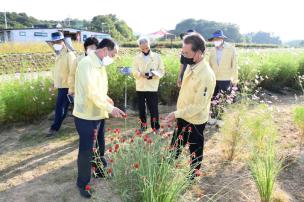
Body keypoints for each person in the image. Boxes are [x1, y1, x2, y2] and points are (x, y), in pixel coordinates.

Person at [73, 38, 125, 198]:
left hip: (98, 112)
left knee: (99, 146)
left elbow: (99, 89)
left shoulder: (99, 63)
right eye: (113, 53)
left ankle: (98, 171)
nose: (114, 57)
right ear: (104, 50)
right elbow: (91, 92)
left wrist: (107, 98)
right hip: (86, 115)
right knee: (87, 150)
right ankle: (82, 183)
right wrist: (111, 108)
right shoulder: (87, 63)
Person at [165, 33, 216, 180]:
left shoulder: (206, 75)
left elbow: (199, 105)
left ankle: (193, 175)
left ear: (198, 53)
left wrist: (176, 113)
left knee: (195, 148)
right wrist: (178, 113)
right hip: (183, 114)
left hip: (195, 119)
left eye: (186, 53)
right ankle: (168, 165)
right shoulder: (191, 65)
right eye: (183, 51)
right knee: (177, 141)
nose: (183, 55)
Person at [46, 32, 77, 137]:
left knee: (60, 107)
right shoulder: (59, 54)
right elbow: (58, 71)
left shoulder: (69, 55)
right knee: (63, 107)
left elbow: (73, 72)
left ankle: (54, 128)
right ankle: (56, 127)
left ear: (63, 41)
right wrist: (53, 83)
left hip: (67, 87)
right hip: (61, 86)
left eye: (58, 41)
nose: (56, 43)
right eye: (54, 42)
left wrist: (71, 88)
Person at [132, 37, 165, 133]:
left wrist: (154, 74)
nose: (145, 50)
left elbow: (162, 71)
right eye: (143, 48)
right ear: (139, 47)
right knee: (142, 109)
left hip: (152, 87)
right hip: (141, 86)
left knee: (153, 108)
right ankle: (143, 126)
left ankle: (156, 127)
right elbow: (134, 71)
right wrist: (140, 74)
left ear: (149, 45)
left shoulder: (157, 57)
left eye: (146, 47)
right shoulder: (136, 58)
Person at [208, 30, 238, 96]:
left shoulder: (231, 48)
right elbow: (209, 66)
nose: (216, 41)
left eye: (217, 39)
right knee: (213, 101)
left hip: (226, 79)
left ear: (222, 39)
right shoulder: (212, 50)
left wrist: (235, 81)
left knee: (224, 101)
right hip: (214, 80)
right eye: (214, 39)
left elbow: (234, 65)